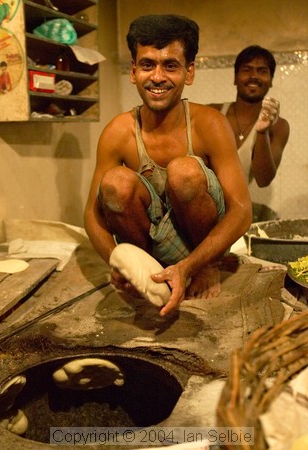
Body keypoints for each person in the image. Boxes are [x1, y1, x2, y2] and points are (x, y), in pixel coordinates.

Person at [84, 14, 252, 316]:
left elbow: (241, 211)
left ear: (189, 73)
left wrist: (192, 266)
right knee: (115, 183)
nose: (157, 77)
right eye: (147, 64)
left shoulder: (210, 124)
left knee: (185, 171)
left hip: (202, 248)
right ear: (134, 72)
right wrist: (121, 263)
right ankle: (153, 275)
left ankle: (203, 269)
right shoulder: (118, 132)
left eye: (170, 66)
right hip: (152, 245)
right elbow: (92, 215)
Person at [210, 45, 290, 188]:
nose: (254, 76)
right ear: (235, 78)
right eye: (247, 70)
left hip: (238, 207)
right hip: (201, 204)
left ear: (271, 81)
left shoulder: (279, 126)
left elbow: (263, 180)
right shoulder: (212, 113)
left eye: (262, 71)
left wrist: (262, 131)